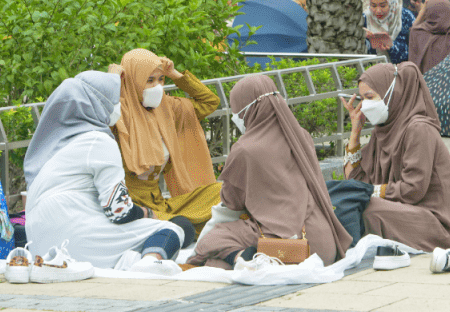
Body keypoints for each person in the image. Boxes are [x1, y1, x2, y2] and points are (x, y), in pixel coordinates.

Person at [25, 71, 192, 272]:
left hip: (39, 246)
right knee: (172, 228)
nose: (119, 106)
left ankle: (131, 261)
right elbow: (119, 211)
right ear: (99, 104)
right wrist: (148, 213)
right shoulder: (98, 140)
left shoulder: (52, 148)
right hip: (77, 241)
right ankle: (149, 263)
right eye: (116, 100)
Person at [188, 75, 351, 270]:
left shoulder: (246, 149)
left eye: (236, 110)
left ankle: (242, 256)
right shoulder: (301, 136)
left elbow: (232, 204)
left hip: (288, 244)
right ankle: (241, 258)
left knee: (212, 241)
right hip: (322, 242)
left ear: (248, 109)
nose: (235, 117)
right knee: (216, 262)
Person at [341, 63, 450, 251]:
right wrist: (355, 133)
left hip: (435, 224)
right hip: (401, 211)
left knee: (366, 209)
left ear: (393, 93)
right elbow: (356, 181)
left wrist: (369, 192)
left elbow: (412, 190)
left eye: (370, 97)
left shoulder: (419, 129)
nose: (365, 106)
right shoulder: (383, 131)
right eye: (362, 99)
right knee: (351, 204)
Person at [112, 49, 222, 229]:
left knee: (225, 193)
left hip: (161, 204)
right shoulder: (118, 112)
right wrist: (113, 82)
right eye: (149, 80)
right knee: (185, 227)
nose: (157, 86)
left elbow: (209, 102)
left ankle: (179, 225)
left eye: (161, 79)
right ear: (132, 80)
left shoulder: (167, 108)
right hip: (133, 207)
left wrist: (175, 75)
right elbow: (98, 117)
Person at [408, 0, 450, 73]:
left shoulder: (418, 33)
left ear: (429, 13)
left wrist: (423, 10)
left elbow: (413, 29)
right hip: (449, 82)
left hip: (423, 82)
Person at [364, 0, 415, 64]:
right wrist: (362, 35)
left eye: (383, 6)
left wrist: (392, 46)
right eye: (373, 6)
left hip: (400, 71)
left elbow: (414, 51)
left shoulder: (405, 17)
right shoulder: (365, 18)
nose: (378, 11)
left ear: (391, 2)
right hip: (372, 71)